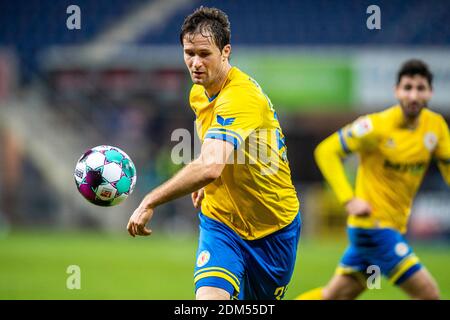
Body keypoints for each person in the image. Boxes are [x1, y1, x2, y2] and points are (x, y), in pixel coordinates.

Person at [127, 6, 301, 300]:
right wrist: (209, 185)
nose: (195, 63)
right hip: (221, 223)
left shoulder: (241, 96)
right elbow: (215, 154)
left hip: (273, 227)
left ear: (226, 52)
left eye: (204, 54)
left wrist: (150, 199)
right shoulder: (198, 92)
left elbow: (210, 166)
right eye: (188, 53)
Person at [297, 59, 449, 300]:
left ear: (430, 92)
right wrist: (349, 200)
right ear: (396, 91)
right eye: (407, 87)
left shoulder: (436, 127)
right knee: (429, 295)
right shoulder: (375, 127)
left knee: (334, 296)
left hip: (389, 228)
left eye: (420, 88)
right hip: (374, 228)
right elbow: (326, 151)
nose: (413, 95)